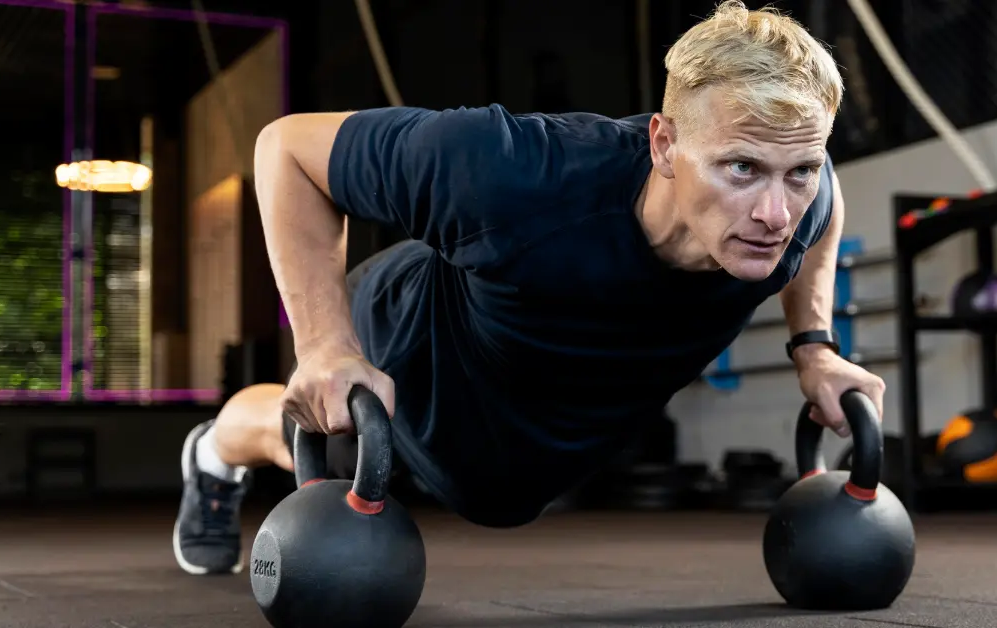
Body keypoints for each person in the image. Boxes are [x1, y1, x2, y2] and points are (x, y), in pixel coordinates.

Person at [172, 0, 885, 576]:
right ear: (664, 144)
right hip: (416, 352)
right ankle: (211, 455)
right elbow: (286, 151)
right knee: (320, 441)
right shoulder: (512, 172)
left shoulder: (802, 200)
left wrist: (813, 346)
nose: (775, 214)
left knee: (498, 499)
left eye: (797, 171)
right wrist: (325, 346)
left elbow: (827, 206)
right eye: (740, 169)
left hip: (525, 439)